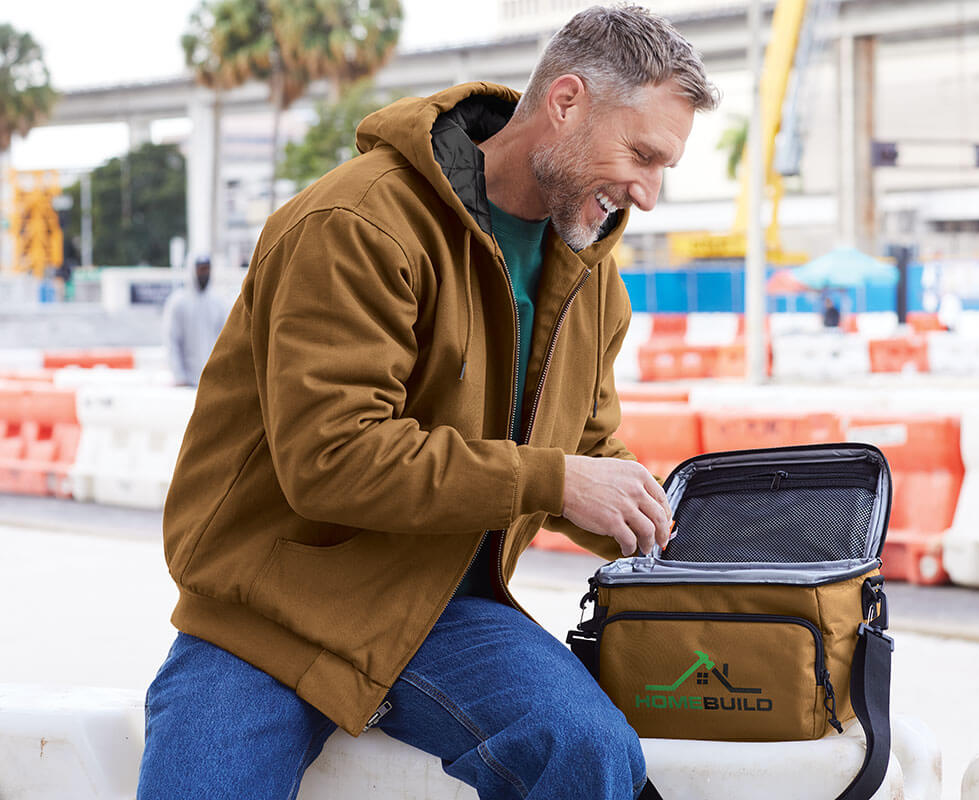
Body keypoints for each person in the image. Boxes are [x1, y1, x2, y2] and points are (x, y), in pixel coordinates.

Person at [136, 6, 719, 800]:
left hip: (440, 609)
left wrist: (668, 531)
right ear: (567, 101)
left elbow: (585, 450)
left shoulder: (593, 279)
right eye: (641, 155)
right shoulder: (355, 223)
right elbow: (333, 458)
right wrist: (555, 481)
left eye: (665, 169)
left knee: (590, 752)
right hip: (268, 607)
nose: (648, 195)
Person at [162, 256, 230, 386]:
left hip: (213, 381)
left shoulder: (219, 303)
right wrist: (179, 376)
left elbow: (225, 341)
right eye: (201, 269)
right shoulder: (178, 302)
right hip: (186, 381)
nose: (204, 273)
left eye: (207, 269)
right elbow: (172, 341)